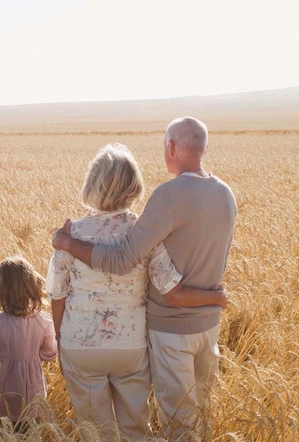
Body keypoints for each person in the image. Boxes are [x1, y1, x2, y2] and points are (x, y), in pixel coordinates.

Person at [53, 117, 237, 440]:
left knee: (98, 431)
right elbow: (170, 282)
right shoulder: (220, 197)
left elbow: (63, 288)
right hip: (154, 340)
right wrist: (217, 297)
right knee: (147, 427)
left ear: (171, 146)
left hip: (99, 342)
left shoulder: (74, 233)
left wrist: (59, 338)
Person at [0, 256, 58, 429]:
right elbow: (51, 353)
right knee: (30, 430)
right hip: (32, 391)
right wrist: (31, 355)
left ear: (1, 290)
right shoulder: (44, 321)